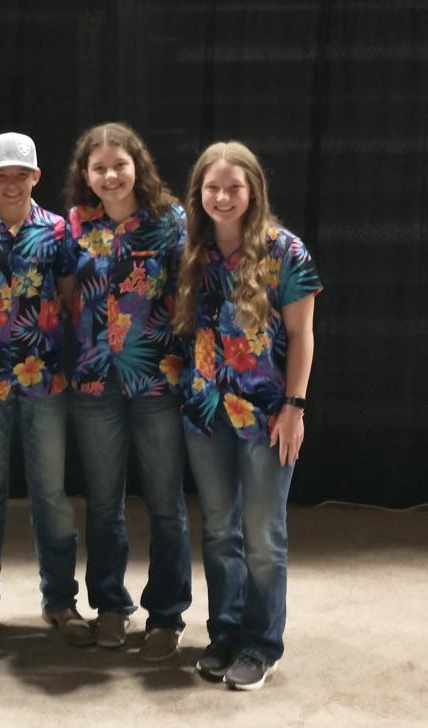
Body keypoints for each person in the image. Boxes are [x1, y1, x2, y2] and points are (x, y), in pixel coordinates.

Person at [173, 141, 322, 690]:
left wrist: (295, 406)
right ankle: (226, 632)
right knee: (218, 532)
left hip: (266, 417)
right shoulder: (193, 249)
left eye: (234, 187)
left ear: (253, 190)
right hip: (205, 415)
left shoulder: (286, 252)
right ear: (200, 194)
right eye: (212, 187)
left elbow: (303, 335)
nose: (223, 196)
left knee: (263, 536)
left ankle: (262, 643)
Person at [0, 132, 92, 657]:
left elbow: (66, 295)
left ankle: (60, 601)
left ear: (36, 177)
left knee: (52, 498)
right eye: (2, 174)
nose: (12, 183)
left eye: (22, 174)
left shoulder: (56, 231)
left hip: (45, 380)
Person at [62, 122, 192, 659]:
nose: (111, 175)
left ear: (137, 164)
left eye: (119, 164)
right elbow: (63, 295)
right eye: (99, 168)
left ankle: (167, 614)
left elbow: (192, 293)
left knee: (164, 501)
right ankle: (111, 606)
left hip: (156, 380)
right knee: (104, 503)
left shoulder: (171, 223)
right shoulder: (73, 225)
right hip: (94, 381)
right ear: (85, 175)